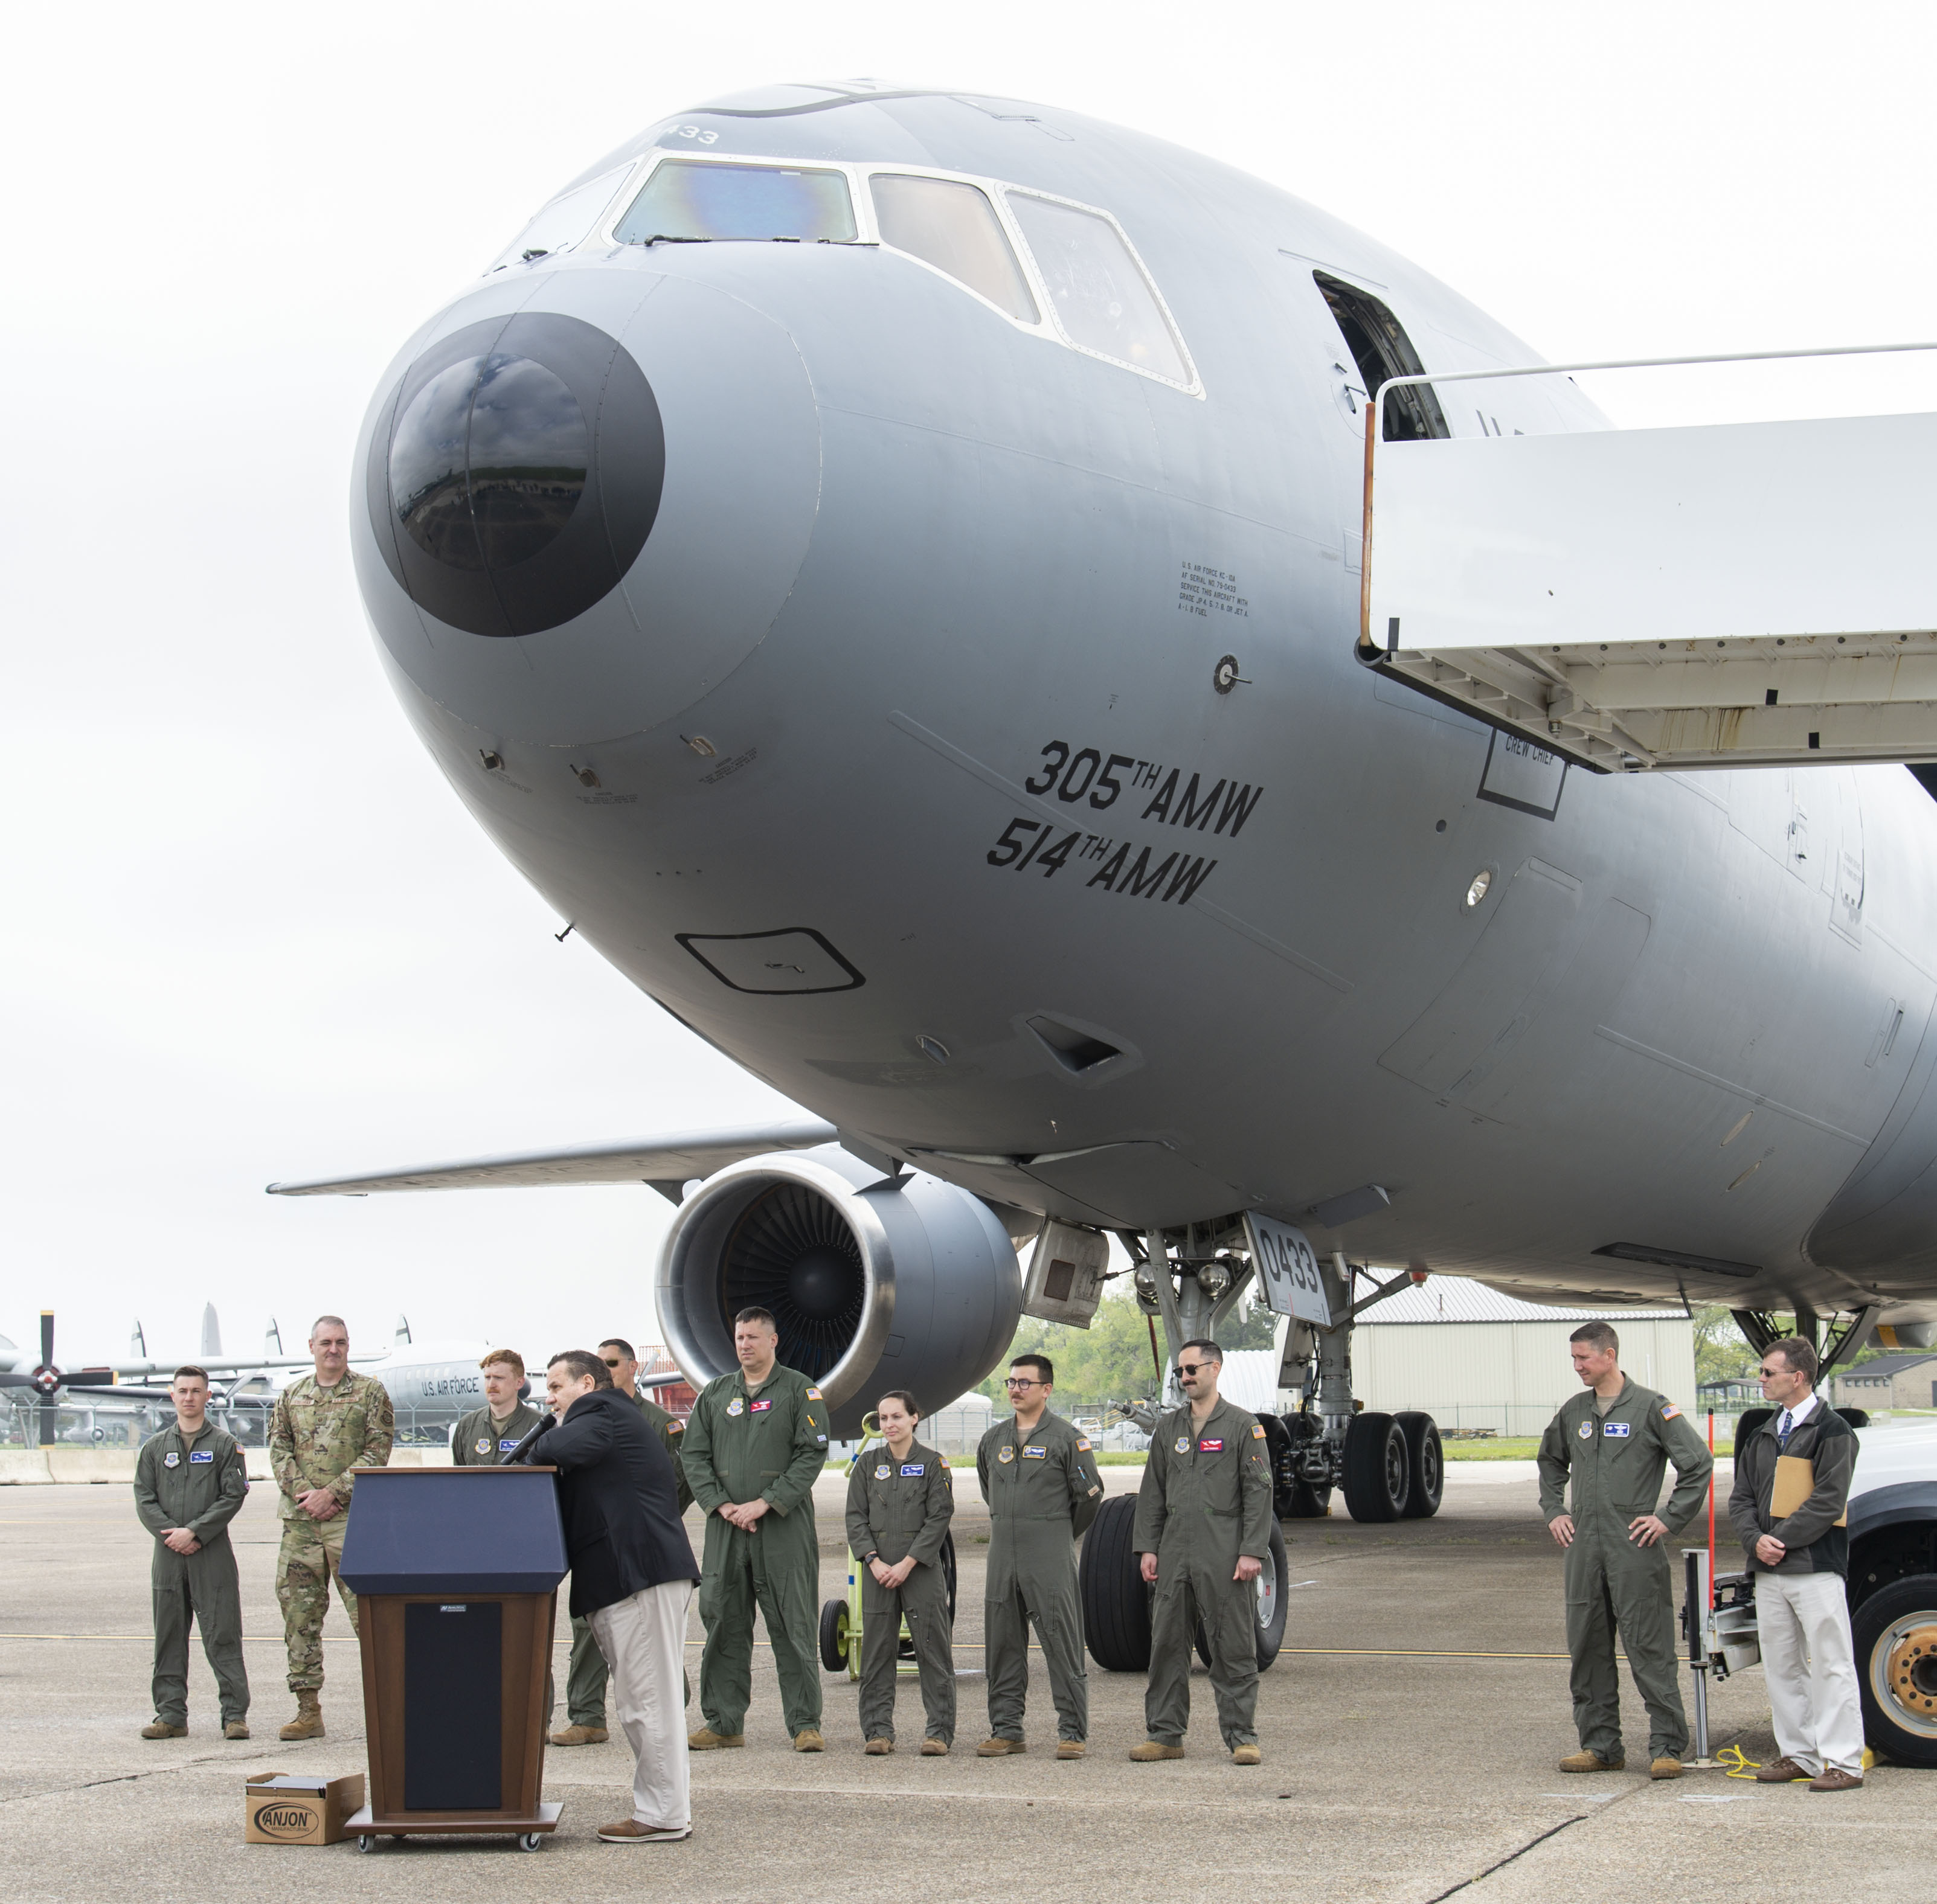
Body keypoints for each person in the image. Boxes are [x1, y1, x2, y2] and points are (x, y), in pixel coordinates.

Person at [515, 1350, 699, 1844]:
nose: (549, 1397)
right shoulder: (604, 1413)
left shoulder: (602, 1411)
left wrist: (533, 1450)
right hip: (628, 1576)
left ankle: (662, 1814)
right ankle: (666, 1809)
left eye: (557, 1386)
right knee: (644, 1698)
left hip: (637, 1574)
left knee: (647, 1700)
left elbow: (559, 1448)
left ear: (589, 1383)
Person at [1537, 1320, 1712, 1779]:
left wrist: (1667, 1519)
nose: (1577, 1366)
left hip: (1633, 1546)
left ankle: (1667, 1745)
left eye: (1584, 1358)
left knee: (1649, 1647)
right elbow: (1550, 1460)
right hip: (1583, 1549)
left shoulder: (1652, 1408)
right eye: (1574, 1358)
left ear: (1609, 1355)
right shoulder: (1574, 1411)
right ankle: (1600, 1745)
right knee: (1587, 1647)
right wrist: (1554, 1508)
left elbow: (1697, 1464)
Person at [681, 1307, 830, 1752]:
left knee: (792, 1622)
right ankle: (724, 1723)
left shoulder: (799, 1390)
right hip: (726, 1528)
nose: (744, 1344)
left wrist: (766, 1502)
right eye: (739, 1336)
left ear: (773, 1341)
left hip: (782, 1526)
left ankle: (805, 1723)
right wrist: (721, 1504)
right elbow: (694, 1456)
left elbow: (811, 1455)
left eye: (752, 1336)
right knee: (723, 1620)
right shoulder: (714, 1394)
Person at [1728, 1335, 1865, 1790]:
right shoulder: (1761, 1431)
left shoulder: (1833, 1432)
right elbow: (1741, 1496)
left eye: (1768, 1372)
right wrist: (1755, 1540)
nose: (1761, 1379)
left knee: (1831, 1663)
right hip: (1769, 1570)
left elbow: (1828, 1500)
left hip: (1814, 1567)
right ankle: (1798, 1754)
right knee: (1782, 1665)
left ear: (1798, 1376)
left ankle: (1843, 1761)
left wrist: (1776, 1541)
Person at [1130, 1338, 1274, 1765]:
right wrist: (1147, 1548)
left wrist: (1252, 1550)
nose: (1184, 1377)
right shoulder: (1168, 1428)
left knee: (1232, 1646)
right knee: (1166, 1645)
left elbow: (1258, 1491)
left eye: (1191, 1369)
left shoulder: (1242, 1426)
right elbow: (1151, 1491)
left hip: (1224, 1552)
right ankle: (1165, 1735)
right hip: (1175, 1551)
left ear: (1215, 1368)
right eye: (1180, 1371)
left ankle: (1241, 1735)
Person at [553, 1337, 695, 1748]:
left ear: (630, 1367)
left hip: (640, 1560)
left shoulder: (613, 1411)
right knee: (630, 1681)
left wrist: (646, 1523)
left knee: (651, 1687)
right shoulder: (589, 1417)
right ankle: (586, 1714)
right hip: (609, 1563)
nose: (550, 1399)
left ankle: (661, 1812)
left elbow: (675, 1483)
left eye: (612, 1362)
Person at [267, 1315, 394, 1740]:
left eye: (340, 1342)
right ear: (311, 1346)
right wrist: (307, 1493)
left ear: (348, 1345)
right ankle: (308, 1711)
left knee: (372, 1618)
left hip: (352, 1524)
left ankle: (392, 1708)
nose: (333, 1349)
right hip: (301, 1527)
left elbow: (378, 1451)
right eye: (325, 1342)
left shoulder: (370, 1392)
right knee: (300, 1618)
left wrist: (334, 1494)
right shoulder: (291, 1395)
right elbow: (278, 1451)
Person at [975, 1352, 1104, 1758]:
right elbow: (987, 1488)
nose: (1015, 1388)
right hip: (1002, 1554)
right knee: (1002, 1645)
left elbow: (1088, 1496)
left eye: (1024, 1382)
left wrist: (1056, 1531)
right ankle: (1007, 1728)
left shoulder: (1067, 1438)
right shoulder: (992, 1440)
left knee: (1061, 1641)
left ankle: (1072, 1731)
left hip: (1048, 1551)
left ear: (1046, 1389)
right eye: (1011, 1382)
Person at [132, 1366, 251, 1740]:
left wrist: (195, 1532)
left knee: (223, 1635)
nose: (189, 1397)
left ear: (207, 1396)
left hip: (211, 1554)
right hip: (168, 1557)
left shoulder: (224, 1445)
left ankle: (234, 1716)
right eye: (182, 1390)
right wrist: (172, 1535)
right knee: (168, 1635)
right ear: (172, 1396)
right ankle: (170, 1715)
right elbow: (144, 1497)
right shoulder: (154, 1448)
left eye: (196, 1391)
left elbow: (234, 1495)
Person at [845, 1388, 956, 1755]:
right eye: (883, 1418)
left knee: (932, 1650)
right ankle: (878, 1732)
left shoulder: (933, 1464)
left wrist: (908, 1563)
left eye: (896, 1417)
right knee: (877, 1652)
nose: (889, 1424)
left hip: (919, 1569)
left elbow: (939, 1517)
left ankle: (939, 1733)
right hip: (878, 1571)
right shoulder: (867, 1465)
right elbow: (855, 1518)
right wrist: (874, 1562)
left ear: (914, 1418)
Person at [451, 1349, 545, 1466]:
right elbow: (458, 1477)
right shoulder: (467, 1425)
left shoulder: (539, 1426)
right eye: (487, 1377)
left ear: (519, 1383)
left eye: (499, 1378)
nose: (491, 1385)